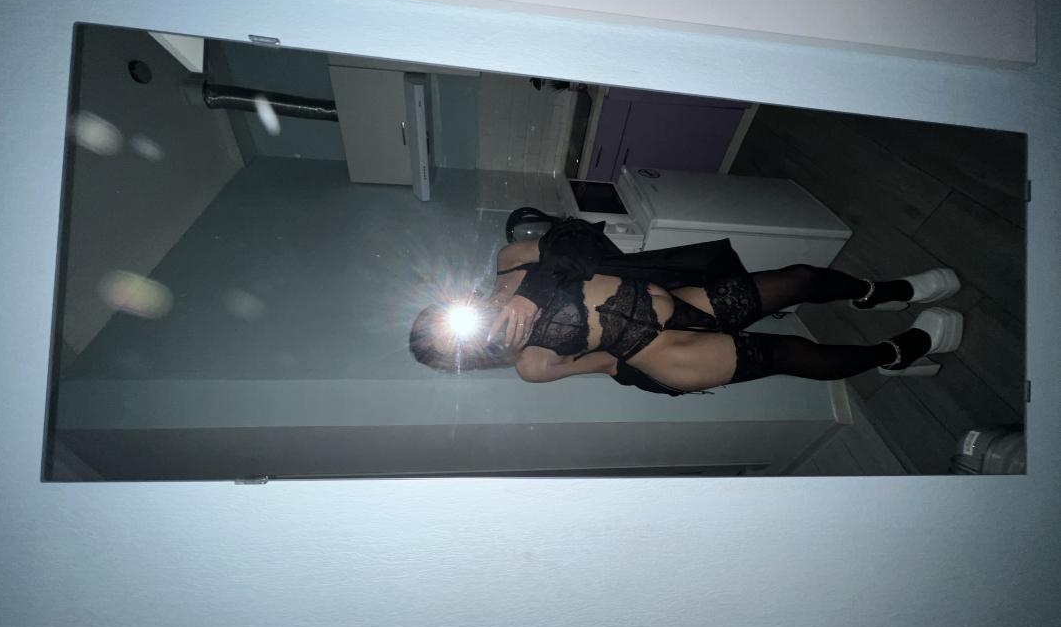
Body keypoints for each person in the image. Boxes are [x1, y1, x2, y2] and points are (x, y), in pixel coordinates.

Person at [410, 219, 963, 395]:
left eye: (447, 321)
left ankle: (877, 293)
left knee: (800, 279)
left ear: (452, 302)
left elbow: (582, 240)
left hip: (678, 297)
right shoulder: (531, 365)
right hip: (668, 353)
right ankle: (896, 353)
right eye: (456, 345)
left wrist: (530, 292)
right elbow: (609, 364)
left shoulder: (510, 262)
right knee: (792, 354)